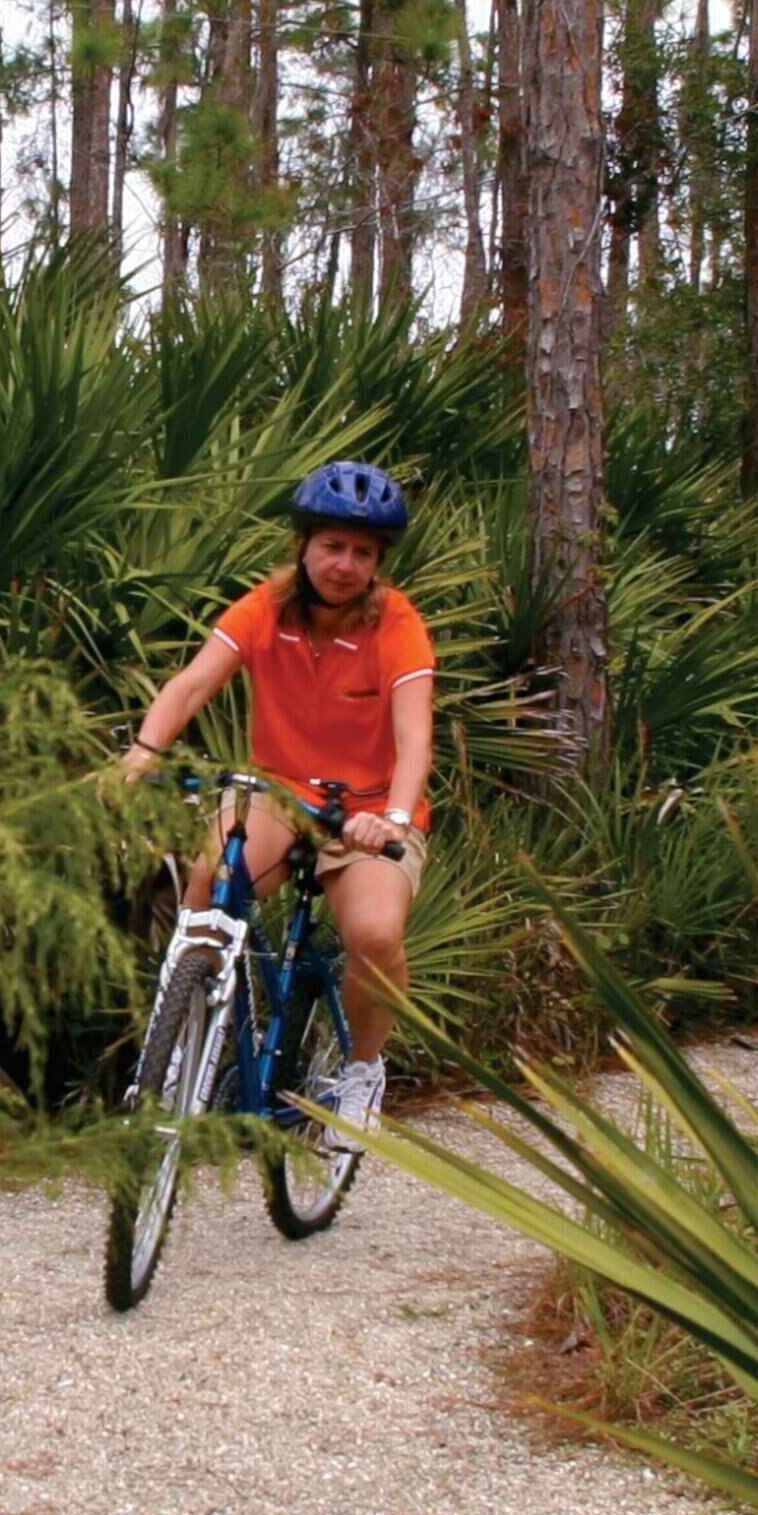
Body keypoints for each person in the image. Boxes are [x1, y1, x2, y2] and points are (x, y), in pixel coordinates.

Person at [119, 460, 432, 1134]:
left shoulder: (397, 623)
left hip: (370, 810)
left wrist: (395, 820)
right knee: (209, 883)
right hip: (280, 792)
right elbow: (193, 684)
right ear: (304, 544)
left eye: (363, 552)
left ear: (378, 562)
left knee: (375, 934)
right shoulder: (265, 606)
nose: (345, 564)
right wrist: (143, 753)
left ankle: (360, 1073)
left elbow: (414, 737)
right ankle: (176, 1052)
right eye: (332, 545)